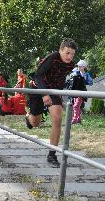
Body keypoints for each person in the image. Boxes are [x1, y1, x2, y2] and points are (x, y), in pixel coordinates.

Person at [25, 39, 77, 168]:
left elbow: (60, 79)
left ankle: (52, 154)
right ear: (60, 50)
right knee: (35, 123)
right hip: (38, 89)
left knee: (58, 118)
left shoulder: (71, 65)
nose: (69, 57)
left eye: (72, 54)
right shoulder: (52, 58)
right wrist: (44, 94)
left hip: (53, 90)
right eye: (67, 53)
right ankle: (28, 117)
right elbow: (37, 75)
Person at [70, 60, 93, 124]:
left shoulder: (86, 74)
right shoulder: (75, 73)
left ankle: (74, 119)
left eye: (80, 66)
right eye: (78, 66)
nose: (79, 67)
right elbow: (70, 78)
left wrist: (85, 79)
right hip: (75, 91)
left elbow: (91, 83)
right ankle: (79, 119)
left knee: (76, 106)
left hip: (82, 92)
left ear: (84, 67)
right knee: (77, 106)